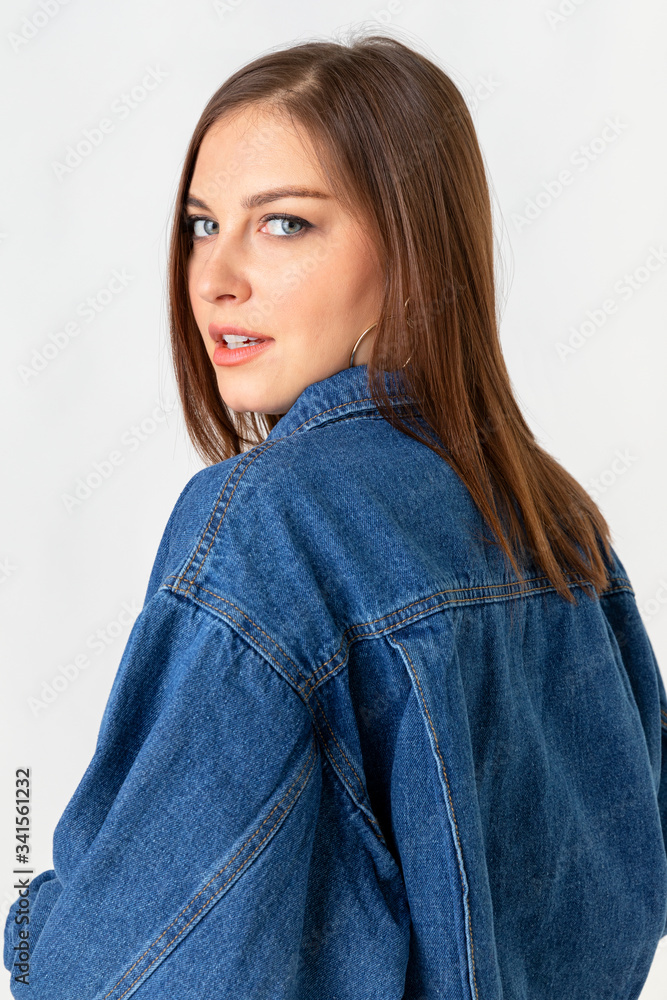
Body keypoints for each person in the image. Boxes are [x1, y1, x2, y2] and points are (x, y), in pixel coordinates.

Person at [5, 31, 667, 1000]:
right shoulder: (557, 519)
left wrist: (34, 922)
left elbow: (125, 969)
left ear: (408, 248)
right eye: (200, 225)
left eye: (282, 225)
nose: (214, 276)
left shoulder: (271, 521)